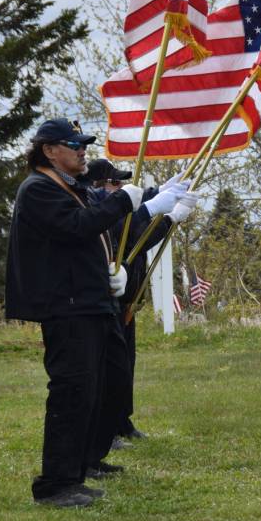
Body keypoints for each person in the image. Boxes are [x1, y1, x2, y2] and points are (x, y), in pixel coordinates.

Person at [6, 118, 196, 508]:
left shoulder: (69, 188)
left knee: (94, 390)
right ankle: (55, 484)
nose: (82, 149)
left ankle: (81, 468)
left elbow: (107, 226)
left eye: (83, 143)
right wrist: (130, 198)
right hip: (67, 306)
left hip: (89, 303)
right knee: (71, 393)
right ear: (48, 150)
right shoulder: (39, 189)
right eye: (73, 143)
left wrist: (157, 200)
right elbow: (80, 225)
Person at [85, 159, 192, 451]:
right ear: (98, 186)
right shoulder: (100, 215)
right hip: (108, 302)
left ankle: (121, 421)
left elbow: (137, 230)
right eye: (115, 184)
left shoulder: (114, 213)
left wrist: (160, 195)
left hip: (128, 300)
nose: (121, 190)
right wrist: (169, 217)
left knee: (125, 365)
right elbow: (133, 239)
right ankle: (109, 430)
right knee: (110, 371)